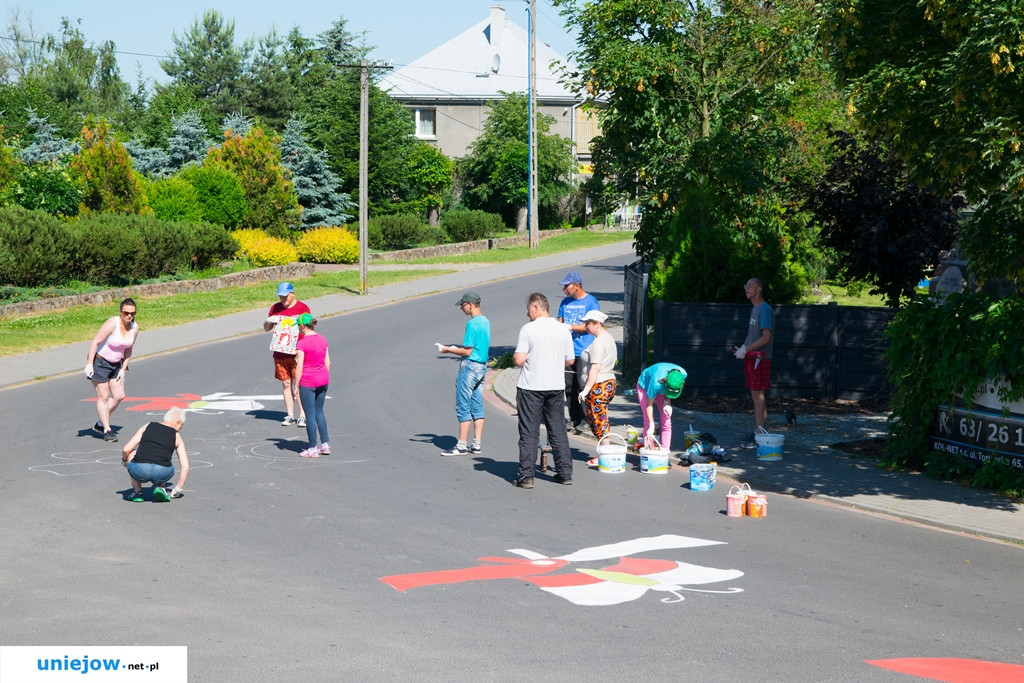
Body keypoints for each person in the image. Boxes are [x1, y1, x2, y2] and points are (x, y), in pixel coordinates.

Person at [513, 292, 576, 488]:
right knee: (557, 429)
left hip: (531, 386)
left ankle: (526, 476)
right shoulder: (563, 329)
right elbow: (570, 360)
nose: (527, 314)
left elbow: (519, 360)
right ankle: (565, 473)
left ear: (536, 308)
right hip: (555, 386)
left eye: (528, 310)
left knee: (529, 432)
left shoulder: (528, 330)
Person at [437, 291, 491, 456]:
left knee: (463, 405)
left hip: (469, 368)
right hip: (482, 367)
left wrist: (448, 349)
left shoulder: (473, 323)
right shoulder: (485, 321)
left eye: (463, 305)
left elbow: (467, 351)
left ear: (471, 304)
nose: (461, 308)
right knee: (477, 405)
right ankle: (476, 444)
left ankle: (461, 445)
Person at [85, 297, 139, 443]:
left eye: (132, 313)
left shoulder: (135, 327)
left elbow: (129, 349)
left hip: (116, 364)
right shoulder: (111, 324)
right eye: (126, 313)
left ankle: (100, 423)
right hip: (100, 362)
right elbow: (95, 342)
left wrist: (123, 368)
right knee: (103, 397)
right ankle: (107, 430)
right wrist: (90, 364)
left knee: (119, 395)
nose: (129, 316)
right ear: (120, 312)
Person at [557, 270, 600, 434]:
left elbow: (591, 325)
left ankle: (585, 419)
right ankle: (574, 418)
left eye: (567, 286)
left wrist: (571, 327)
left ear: (577, 285)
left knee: (582, 384)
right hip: (568, 351)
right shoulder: (565, 303)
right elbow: (560, 322)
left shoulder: (591, 302)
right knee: (568, 386)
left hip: (584, 350)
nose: (564, 289)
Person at [734, 277, 775, 449]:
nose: (745, 289)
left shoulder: (765, 310)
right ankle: (758, 432)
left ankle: (760, 435)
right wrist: (743, 348)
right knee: (755, 396)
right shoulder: (755, 310)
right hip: (752, 357)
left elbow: (766, 337)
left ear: (758, 289)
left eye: (748, 286)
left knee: (758, 397)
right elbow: (752, 335)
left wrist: (747, 349)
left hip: (760, 358)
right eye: (745, 285)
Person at [264, 282, 310, 428]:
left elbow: (307, 329)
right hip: (280, 351)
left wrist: (302, 349)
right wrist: (268, 321)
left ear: (292, 294)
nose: (283, 300)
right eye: (280, 297)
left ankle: (302, 414)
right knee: (285, 383)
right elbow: (267, 329)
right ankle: (290, 415)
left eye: (285, 297)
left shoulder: (302, 308)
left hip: (297, 352)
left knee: (299, 384)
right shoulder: (275, 308)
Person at [121, 407, 190, 502]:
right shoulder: (176, 436)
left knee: (132, 452)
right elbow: (185, 467)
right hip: (162, 473)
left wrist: (125, 460)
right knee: (164, 457)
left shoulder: (148, 426)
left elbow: (126, 449)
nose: (179, 430)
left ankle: (138, 492)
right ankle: (160, 487)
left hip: (140, 470)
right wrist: (178, 488)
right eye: (181, 426)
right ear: (177, 423)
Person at [577, 310, 617, 455]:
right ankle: (603, 452)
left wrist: (586, 389)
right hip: (608, 381)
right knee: (599, 417)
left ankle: (605, 455)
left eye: (588, 323)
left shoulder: (599, 342)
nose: (586, 326)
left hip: (599, 384)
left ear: (597, 324)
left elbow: (596, 367)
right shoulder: (607, 337)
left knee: (599, 418)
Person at [294, 313, 331, 458]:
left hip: (308, 382)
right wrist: (321, 375)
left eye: (298, 325)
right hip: (323, 380)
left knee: (309, 415)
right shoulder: (323, 339)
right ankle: (325, 444)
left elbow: (299, 367)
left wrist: (296, 386)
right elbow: (328, 362)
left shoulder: (302, 343)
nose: (297, 328)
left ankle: (312, 447)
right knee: (319, 412)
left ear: (303, 325)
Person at [635, 362, 687, 451]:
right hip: (645, 386)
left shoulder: (683, 375)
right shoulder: (655, 383)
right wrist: (652, 424)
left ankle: (665, 451)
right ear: (665, 382)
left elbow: (672, 389)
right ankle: (647, 451)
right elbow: (649, 405)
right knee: (648, 421)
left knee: (666, 420)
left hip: (663, 387)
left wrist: (666, 402)